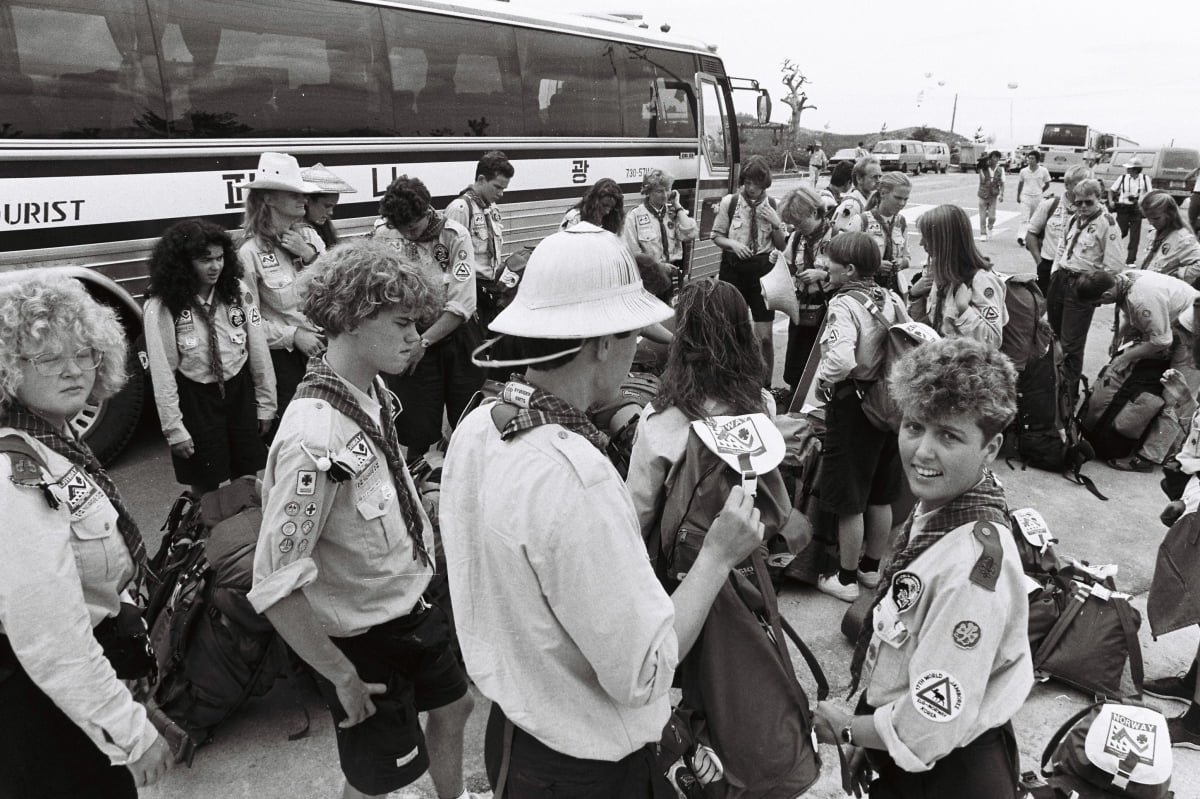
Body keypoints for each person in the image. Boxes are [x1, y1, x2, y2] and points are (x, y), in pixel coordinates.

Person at [439, 223, 764, 797]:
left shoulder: (477, 427)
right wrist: (717, 556)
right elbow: (645, 671)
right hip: (587, 764)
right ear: (601, 344)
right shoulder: (578, 476)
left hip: (516, 733)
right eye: (634, 333)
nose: (642, 345)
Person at [246, 241, 481, 799]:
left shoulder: (369, 390)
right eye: (402, 323)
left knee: (457, 704)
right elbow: (276, 585)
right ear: (351, 319)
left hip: (409, 602)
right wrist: (340, 676)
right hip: (364, 636)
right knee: (379, 778)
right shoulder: (313, 438)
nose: (414, 337)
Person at [815, 336, 1033, 798]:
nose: (922, 452)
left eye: (949, 435)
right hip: (915, 757)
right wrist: (878, 736)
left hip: (949, 776)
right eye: (914, 426)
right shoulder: (944, 508)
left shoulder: (972, 572)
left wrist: (851, 729)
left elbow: (932, 723)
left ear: (990, 448)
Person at [0, 275, 171, 797]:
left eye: (84, 353)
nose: (73, 370)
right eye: (48, 359)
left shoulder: (56, 442)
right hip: (40, 709)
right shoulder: (14, 471)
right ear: (8, 367)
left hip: (68, 689)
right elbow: (49, 632)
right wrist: (127, 730)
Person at [626, 278, 802, 552]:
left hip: (681, 562)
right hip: (743, 551)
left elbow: (639, 511)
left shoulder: (661, 419)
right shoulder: (762, 403)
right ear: (744, 335)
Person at [143, 219, 276, 494]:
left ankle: (245, 535)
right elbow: (162, 370)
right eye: (205, 260)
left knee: (246, 481)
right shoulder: (163, 304)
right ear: (183, 262)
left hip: (238, 391)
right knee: (206, 485)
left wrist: (265, 404)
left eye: (219, 258)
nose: (215, 267)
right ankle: (206, 534)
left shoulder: (238, 292)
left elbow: (259, 350)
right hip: (196, 398)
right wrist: (174, 429)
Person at [813, 232, 911, 601]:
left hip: (855, 405)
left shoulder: (843, 305)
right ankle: (872, 568)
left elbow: (840, 361)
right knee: (880, 491)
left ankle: (846, 577)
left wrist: (824, 380)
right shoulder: (891, 297)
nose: (826, 268)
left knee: (849, 496)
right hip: (889, 401)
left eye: (831, 263)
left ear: (849, 268)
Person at [369, 175, 484, 459]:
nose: (409, 235)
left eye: (414, 227)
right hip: (410, 334)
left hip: (455, 335)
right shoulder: (386, 236)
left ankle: (465, 470)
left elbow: (462, 304)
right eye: (402, 229)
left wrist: (424, 343)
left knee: (468, 418)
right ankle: (417, 486)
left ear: (427, 211)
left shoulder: (455, 236)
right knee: (415, 424)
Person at [1076, 268, 1200, 472]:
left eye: (1098, 303)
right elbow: (1129, 314)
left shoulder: (1141, 298)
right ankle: (1175, 447)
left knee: (1176, 395)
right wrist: (1119, 338)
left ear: (1107, 295)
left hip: (1193, 330)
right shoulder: (1124, 279)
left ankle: (1149, 458)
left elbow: (1162, 340)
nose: (1099, 306)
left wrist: (1127, 356)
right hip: (1181, 323)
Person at [237, 152, 326, 429]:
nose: (303, 199)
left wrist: (310, 256)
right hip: (284, 361)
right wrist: (293, 334)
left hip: (324, 349)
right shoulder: (248, 253)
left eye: (303, 193)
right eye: (292, 194)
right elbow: (247, 324)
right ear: (268, 198)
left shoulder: (310, 237)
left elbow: (339, 289)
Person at [1045, 177, 1126, 407]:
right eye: (1078, 202)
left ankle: (1067, 394)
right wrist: (1055, 272)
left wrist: (1093, 289)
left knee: (1071, 345)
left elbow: (1114, 266)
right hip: (1061, 278)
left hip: (1081, 285)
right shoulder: (1074, 219)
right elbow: (1062, 247)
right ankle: (1054, 385)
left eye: (1088, 202)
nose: (1082, 207)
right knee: (1053, 336)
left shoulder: (1107, 223)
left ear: (1099, 199)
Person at [711, 154, 788, 386]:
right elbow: (716, 236)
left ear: (765, 184)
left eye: (756, 183)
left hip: (762, 273)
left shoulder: (774, 205)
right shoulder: (730, 203)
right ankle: (728, 382)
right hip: (733, 270)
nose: (751, 188)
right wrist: (733, 245)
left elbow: (782, 245)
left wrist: (776, 223)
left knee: (764, 337)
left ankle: (765, 385)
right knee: (729, 331)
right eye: (747, 182)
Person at [909, 204, 1007, 348]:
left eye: (927, 237)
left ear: (944, 241)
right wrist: (915, 296)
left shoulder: (982, 281)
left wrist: (964, 310)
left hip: (966, 368)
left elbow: (993, 341)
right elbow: (930, 327)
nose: (921, 243)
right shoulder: (941, 275)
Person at [444, 151, 515, 332]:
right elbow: (446, 258)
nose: (501, 193)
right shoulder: (460, 208)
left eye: (504, 189)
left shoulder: (491, 208)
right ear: (481, 179)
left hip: (489, 289)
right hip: (470, 289)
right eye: (497, 187)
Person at [779, 184, 836, 405]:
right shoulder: (796, 238)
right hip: (801, 308)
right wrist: (780, 263)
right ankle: (795, 400)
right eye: (793, 224)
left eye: (799, 222)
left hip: (827, 311)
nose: (797, 227)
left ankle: (817, 404)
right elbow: (789, 264)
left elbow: (851, 273)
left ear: (815, 212)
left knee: (821, 363)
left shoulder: (838, 237)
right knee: (796, 360)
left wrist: (822, 274)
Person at [622, 169, 698, 300]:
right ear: (648, 192)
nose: (665, 195)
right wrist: (658, 266)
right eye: (659, 191)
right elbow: (633, 253)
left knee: (674, 313)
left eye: (668, 190)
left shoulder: (674, 213)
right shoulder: (635, 216)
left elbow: (691, 233)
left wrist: (678, 206)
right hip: (650, 277)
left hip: (674, 274)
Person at [1026, 164, 1091, 296]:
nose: (1084, 188)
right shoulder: (1050, 205)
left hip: (1080, 268)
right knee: (1043, 307)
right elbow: (1031, 234)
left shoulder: (1094, 210)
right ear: (1067, 185)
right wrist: (1040, 263)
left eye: (1088, 183)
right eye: (1079, 184)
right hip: (1049, 265)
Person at [860, 172, 912, 295]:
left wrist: (901, 263)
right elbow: (845, 260)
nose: (902, 203)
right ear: (883, 193)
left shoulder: (901, 222)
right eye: (898, 198)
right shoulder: (863, 221)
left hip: (894, 289)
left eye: (905, 199)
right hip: (867, 290)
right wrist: (873, 266)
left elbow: (907, 258)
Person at [1139, 189, 1200, 285]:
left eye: (1156, 218)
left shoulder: (1183, 239)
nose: (1151, 222)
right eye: (1148, 218)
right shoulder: (1154, 233)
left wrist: (1178, 274)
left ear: (1170, 214)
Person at [302, 163, 357, 248]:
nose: (331, 212)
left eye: (333, 207)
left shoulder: (325, 230)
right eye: (327, 206)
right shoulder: (301, 232)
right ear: (308, 201)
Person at [1110, 155, 1152, 264]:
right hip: (1123, 207)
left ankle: (1130, 260)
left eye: (1129, 168)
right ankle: (1112, 253)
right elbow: (1112, 190)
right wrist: (1111, 202)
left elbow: (1150, 193)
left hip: (1136, 208)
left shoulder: (1144, 178)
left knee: (1135, 235)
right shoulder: (1123, 178)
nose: (1127, 169)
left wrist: (1144, 204)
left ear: (1135, 169)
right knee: (1120, 232)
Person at [833, 156, 884, 233]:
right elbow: (838, 236)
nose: (879, 181)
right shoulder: (851, 205)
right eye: (874, 177)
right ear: (859, 179)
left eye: (880, 176)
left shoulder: (873, 201)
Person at [561, 178, 625, 234]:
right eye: (604, 205)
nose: (607, 212)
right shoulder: (574, 217)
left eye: (611, 207)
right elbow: (566, 241)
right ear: (594, 202)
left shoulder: (614, 218)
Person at [1015, 151, 1051, 247]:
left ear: (1037, 160)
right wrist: (1018, 195)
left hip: (1037, 197)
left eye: (1032, 158)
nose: (1030, 160)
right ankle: (1021, 237)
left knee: (1034, 218)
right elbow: (1020, 184)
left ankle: (1030, 237)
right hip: (1025, 196)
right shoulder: (1023, 171)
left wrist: (1040, 191)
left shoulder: (1043, 171)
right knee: (1024, 218)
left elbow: (1047, 184)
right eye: (1029, 158)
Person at [976, 151, 1005, 241]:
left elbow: (1002, 183)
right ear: (990, 158)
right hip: (983, 194)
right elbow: (981, 177)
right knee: (982, 215)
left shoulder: (1000, 170)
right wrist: (981, 166)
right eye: (993, 157)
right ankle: (983, 233)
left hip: (993, 195)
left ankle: (990, 226)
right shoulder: (983, 168)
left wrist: (1002, 194)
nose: (995, 159)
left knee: (992, 217)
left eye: (997, 158)